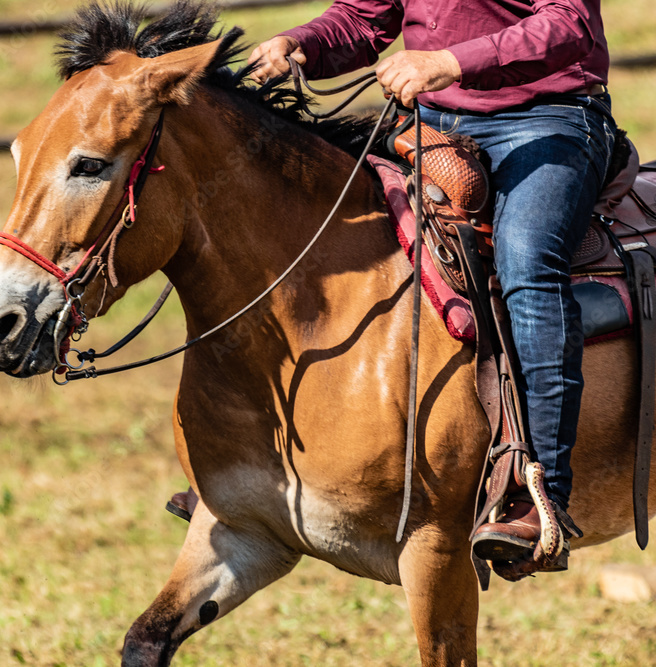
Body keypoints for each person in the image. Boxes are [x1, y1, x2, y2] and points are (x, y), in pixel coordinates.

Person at [248, 0, 616, 569]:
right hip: (430, 120)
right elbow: (364, 16)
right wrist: (300, 45)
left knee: (526, 261)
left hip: (548, 118)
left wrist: (451, 61)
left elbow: (569, 23)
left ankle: (539, 492)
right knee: (303, 222)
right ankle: (256, 462)